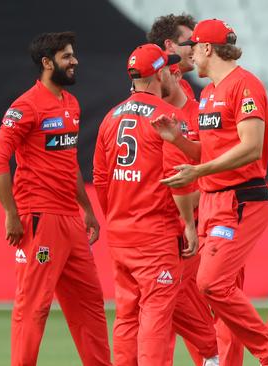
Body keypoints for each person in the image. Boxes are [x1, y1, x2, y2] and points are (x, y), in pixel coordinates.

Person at [152, 19, 268, 366]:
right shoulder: (208, 94)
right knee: (223, 291)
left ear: (206, 48)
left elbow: (251, 148)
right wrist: (179, 141)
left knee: (211, 283)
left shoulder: (244, 85)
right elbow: (209, 151)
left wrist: (199, 171)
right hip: (214, 198)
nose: (189, 58)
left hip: (240, 198)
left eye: (193, 49)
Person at [0, 32, 111, 366]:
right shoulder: (25, 105)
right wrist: (11, 214)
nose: (74, 62)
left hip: (70, 220)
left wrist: (86, 209)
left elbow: (68, 163)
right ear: (47, 63)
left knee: (90, 303)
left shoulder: (71, 104)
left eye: (73, 55)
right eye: (67, 56)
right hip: (39, 218)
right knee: (35, 306)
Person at [93, 43, 198, 365]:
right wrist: (189, 225)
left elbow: (100, 179)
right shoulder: (169, 117)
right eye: (168, 68)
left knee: (127, 314)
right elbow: (178, 178)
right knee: (155, 314)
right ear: (160, 73)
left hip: (121, 230)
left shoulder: (110, 117)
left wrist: (116, 215)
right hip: (155, 231)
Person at [149, 14, 220, 366]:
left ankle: (211, 357)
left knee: (194, 298)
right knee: (169, 299)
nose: (195, 48)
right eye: (188, 42)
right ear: (168, 51)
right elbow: (170, 169)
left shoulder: (191, 96)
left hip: (196, 213)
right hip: (170, 220)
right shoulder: (158, 106)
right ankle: (211, 356)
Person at [163, 63, 220, 366]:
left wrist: (189, 217)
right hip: (163, 225)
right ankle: (212, 354)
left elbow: (215, 167)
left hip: (197, 224)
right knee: (163, 301)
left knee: (201, 296)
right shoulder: (147, 114)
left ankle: (214, 355)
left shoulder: (201, 112)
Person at [147, 13, 198, 98]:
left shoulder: (185, 86)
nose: (195, 48)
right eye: (190, 42)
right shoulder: (156, 86)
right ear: (169, 45)